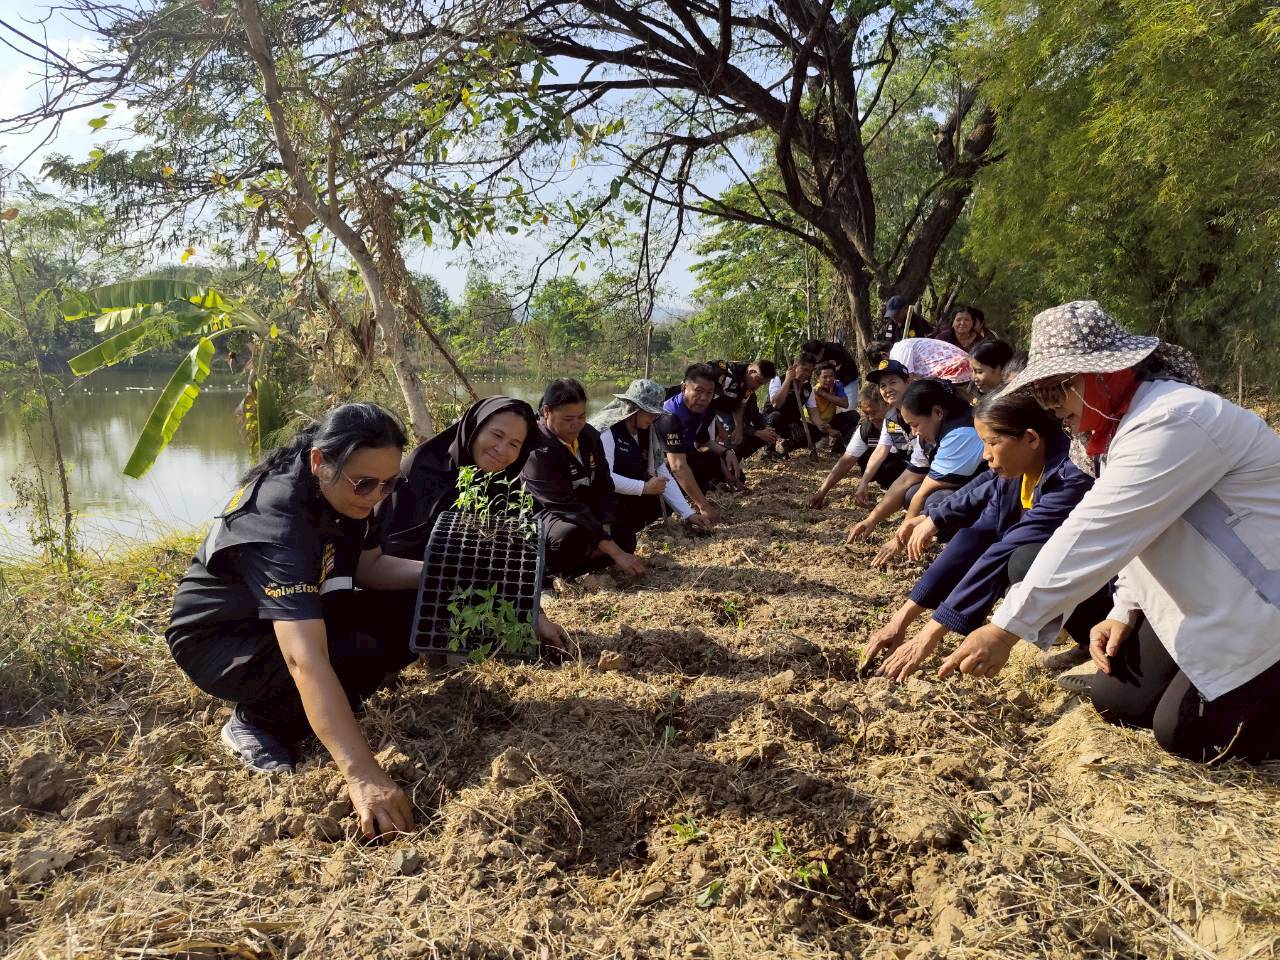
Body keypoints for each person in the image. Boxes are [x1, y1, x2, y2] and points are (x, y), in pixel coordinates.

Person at [939, 301, 1280, 764]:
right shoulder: (1114, 433)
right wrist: (1124, 608)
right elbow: (1139, 534)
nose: (1051, 405)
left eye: (1060, 387)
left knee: (1187, 735)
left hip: (1261, 601)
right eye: (1042, 392)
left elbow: (1097, 531)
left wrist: (1004, 629)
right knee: (1119, 702)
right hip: (1205, 596)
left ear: (1108, 374)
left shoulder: (1172, 420)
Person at [166, 403, 424, 836]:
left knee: (412, 612)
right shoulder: (281, 520)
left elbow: (371, 569)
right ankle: (258, 722)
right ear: (320, 461)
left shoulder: (349, 492)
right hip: (222, 640)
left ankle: (315, 705)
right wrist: (361, 773)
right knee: (351, 653)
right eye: (364, 484)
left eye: (389, 483)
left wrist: (439, 573)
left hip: (287, 613)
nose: (377, 495)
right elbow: (304, 658)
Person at [863, 386, 1104, 680]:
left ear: (1030, 438)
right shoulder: (1018, 473)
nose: (986, 456)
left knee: (1022, 561)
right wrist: (900, 621)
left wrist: (928, 635)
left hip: (1114, 590)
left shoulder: (1069, 479)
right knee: (983, 540)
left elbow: (999, 553)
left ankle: (1096, 638)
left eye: (992, 443)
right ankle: (1081, 637)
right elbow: (975, 536)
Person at [379, 395, 568, 651]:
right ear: (474, 428)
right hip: (407, 589)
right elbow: (385, 551)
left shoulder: (503, 483)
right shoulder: (421, 470)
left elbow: (513, 558)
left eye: (514, 444)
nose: (502, 450)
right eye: (496, 435)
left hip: (470, 591)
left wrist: (536, 616)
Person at [522, 378, 644, 580]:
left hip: (583, 507)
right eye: (568, 419)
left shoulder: (589, 435)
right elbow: (564, 506)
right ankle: (554, 574)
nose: (576, 425)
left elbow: (605, 485)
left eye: (581, 417)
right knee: (569, 537)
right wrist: (612, 550)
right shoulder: (536, 449)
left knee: (624, 534)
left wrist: (605, 530)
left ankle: (587, 560)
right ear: (546, 411)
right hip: (546, 513)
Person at [850, 378, 987, 557]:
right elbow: (906, 480)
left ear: (937, 412)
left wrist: (899, 539)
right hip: (968, 491)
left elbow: (924, 492)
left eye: (915, 425)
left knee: (935, 499)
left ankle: (962, 547)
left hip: (989, 499)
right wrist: (872, 519)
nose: (914, 432)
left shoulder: (961, 433)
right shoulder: (929, 432)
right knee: (911, 492)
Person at [589, 379, 712, 543]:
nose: (654, 418)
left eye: (656, 414)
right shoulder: (607, 431)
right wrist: (645, 487)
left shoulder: (647, 429)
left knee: (667, 498)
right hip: (601, 498)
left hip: (629, 492)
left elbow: (660, 470)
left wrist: (688, 513)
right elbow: (605, 478)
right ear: (634, 408)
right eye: (650, 412)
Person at [656, 364, 732, 524]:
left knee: (712, 459)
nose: (704, 398)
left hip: (682, 456)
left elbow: (703, 441)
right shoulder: (670, 415)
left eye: (709, 393)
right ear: (684, 388)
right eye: (698, 391)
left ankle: (697, 494)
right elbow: (678, 467)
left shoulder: (702, 410)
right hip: (660, 466)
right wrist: (704, 506)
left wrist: (726, 453)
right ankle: (682, 507)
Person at [808, 382, 905, 508]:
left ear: (886, 404)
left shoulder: (904, 420)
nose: (870, 418)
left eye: (873, 412)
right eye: (866, 413)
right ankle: (888, 487)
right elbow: (846, 461)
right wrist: (822, 492)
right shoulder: (866, 429)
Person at [850, 360, 915, 510]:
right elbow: (881, 450)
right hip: (916, 467)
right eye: (883, 386)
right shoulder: (892, 416)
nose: (888, 389)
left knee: (911, 495)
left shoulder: (921, 408)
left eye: (893, 382)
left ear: (908, 381)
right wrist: (863, 483)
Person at [710, 358, 781, 462]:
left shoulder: (749, 386)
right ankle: (725, 466)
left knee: (738, 430)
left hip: (729, 410)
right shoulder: (727, 374)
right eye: (758, 382)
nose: (757, 387)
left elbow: (741, 405)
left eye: (761, 384)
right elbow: (706, 401)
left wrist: (739, 427)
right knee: (730, 428)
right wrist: (720, 427)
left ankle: (735, 460)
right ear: (751, 371)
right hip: (709, 408)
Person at [765, 352, 819, 452]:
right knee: (775, 417)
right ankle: (769, 450)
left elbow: (813, 411)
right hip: (773, 421)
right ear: (795, 366)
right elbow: (776, 404)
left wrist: (821, 425)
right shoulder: (777, 380)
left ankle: (786, 446)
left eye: (810, 371)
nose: (807, 374)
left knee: (816, 431)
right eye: (805, 369)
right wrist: (788, 380)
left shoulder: (807, 387)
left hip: (792, 423)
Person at [805, 362, 856, 450]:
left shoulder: (837, 386)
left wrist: (824, 394)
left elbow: (845, 404)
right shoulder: (813, 392)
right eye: (824, 377)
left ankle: (840, 446)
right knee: (821, 446)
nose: (828, 380)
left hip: (830, 422)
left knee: (853, 415)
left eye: (831, 376)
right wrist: (830, 431)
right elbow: (809, 418)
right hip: (816, 425)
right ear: (818, 378)